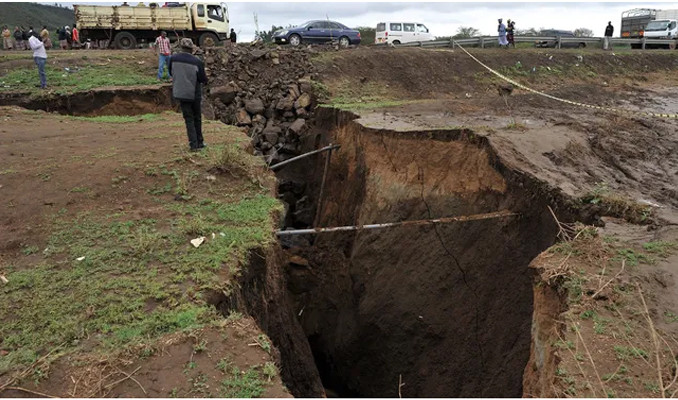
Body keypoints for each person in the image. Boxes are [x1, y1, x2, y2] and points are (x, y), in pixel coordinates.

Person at [169, 38, 207, 151]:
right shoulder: (197, 61)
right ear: (192, 49)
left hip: (181, 92)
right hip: (194, 93)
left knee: (188, 119)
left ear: (181, 47)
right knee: (197, 118)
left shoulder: (173, 58)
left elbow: (171, 72)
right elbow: (202, 79)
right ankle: (199, 143)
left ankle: (193, 145)